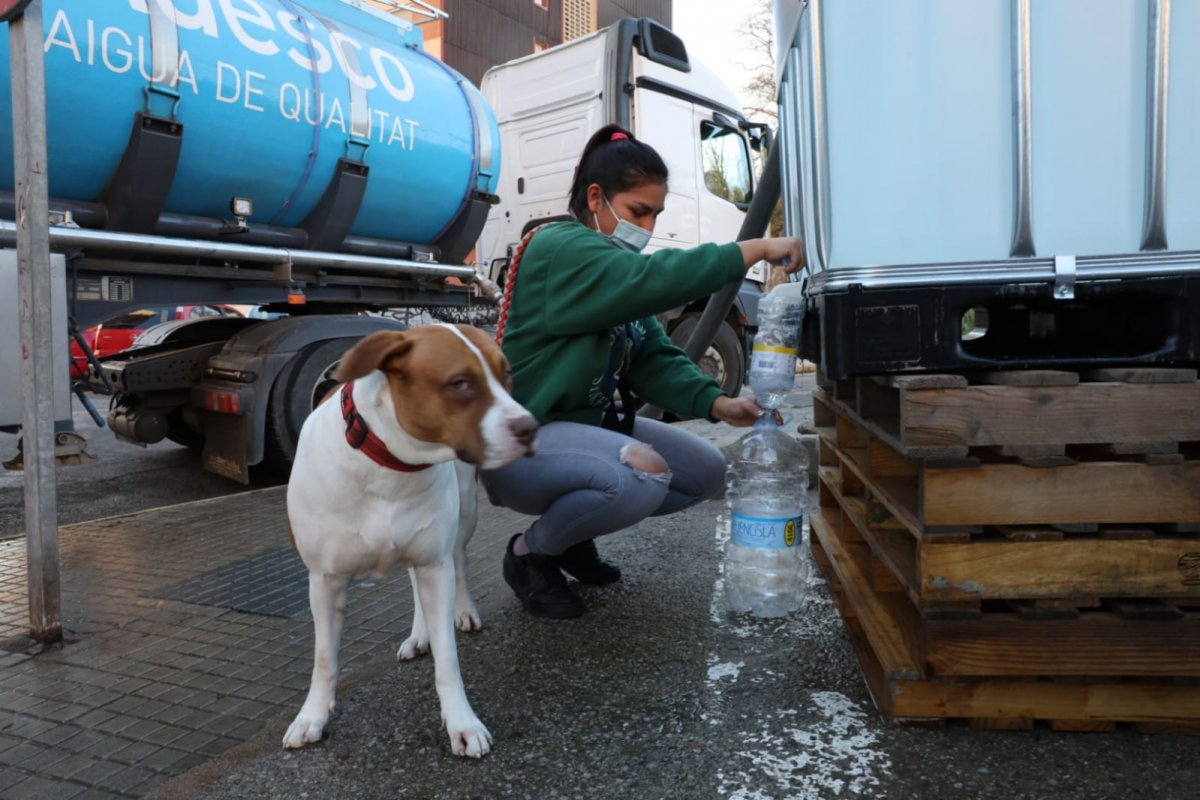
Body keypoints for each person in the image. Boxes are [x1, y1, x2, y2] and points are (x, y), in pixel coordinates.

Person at [480, 124, 804, 619]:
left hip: (580, 434)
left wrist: (718, 403)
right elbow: (653, 279)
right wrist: (754, 249)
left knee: (703, 472)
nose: (648, 227)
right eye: (638, 211)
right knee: (641, 475)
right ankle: (531, 554)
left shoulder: (611, 267)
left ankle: (571, 537)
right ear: (596, 198)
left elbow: (652, 356)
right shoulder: (558, 249)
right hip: (522, 444)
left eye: (655, 213)